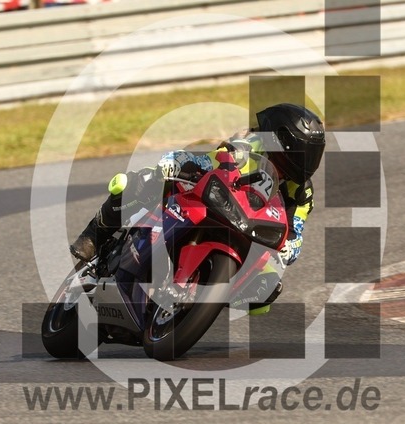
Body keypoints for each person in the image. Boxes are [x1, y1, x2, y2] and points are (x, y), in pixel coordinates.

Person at [70, 103, 326, 314]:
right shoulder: (250, 144)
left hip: (248, 232)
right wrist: (177, 164)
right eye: (297, 154)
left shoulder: (302, 192)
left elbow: (296, 230)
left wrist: (290, 246)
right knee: (140, 181)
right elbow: (211, 160)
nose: (298, 163)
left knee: (269, 287)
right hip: (215, 201)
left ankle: (205, 296)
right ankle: (95, 236)